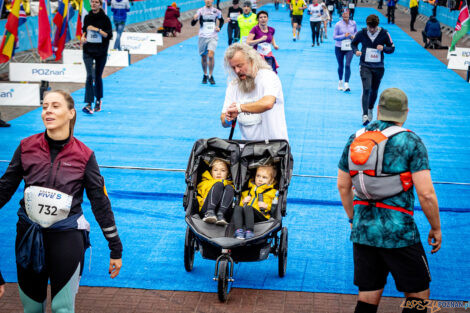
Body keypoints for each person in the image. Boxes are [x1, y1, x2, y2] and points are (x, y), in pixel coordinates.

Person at [0, 90, 123, 312]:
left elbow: (100, 202)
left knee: (62, 308)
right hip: (28, 236)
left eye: (55, 106)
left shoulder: (85, 155)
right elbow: (4, 189)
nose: (48, 110)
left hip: (66, 238)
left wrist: (115, 247)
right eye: (45, 106)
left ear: (71, 113)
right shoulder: (26, 146)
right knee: (32, 309)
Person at [337, 88, 441, 313]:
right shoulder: (410, 141)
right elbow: (426, 194)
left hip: (363, 230)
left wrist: (353, 219)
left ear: (378, 110)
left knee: (368, 295)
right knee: (418, 295)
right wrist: (435, 227)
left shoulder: (356, 138)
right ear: (406, 112)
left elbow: (343, 186)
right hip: (399, 232)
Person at [221, 43, 289, 141]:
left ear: (252, 61)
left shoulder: (268, 77)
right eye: (233, 67)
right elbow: (223, 119)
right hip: (247, 150)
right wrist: (228, 118)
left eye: (240, 65)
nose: (237, 71)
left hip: (274, 149)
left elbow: (267, 103)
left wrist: (239, 108)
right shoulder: (233, 86)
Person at [351, 14, 395, 125]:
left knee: (374, 90)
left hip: (378, 67)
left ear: (377, 25)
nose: (371, 29)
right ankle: (365, 115)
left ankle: (370, 108)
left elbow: (392, 48)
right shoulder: (362, 33)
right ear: (367, 25)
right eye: (370, 27)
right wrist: (355, 51)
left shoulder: (384, 33)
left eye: (373, 27)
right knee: (366, 89)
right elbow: (353, 43)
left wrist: (384, 48)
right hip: (365, 65)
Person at [80, 0, 113, 114]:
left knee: (97, 76)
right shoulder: (87, 17)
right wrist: (83, 38)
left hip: (101, 51)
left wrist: (97, 30)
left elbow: (109, 35)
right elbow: (84, 30)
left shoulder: (105, 19)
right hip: (88, 50)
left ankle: (98, 100)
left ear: (100, 4)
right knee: (89, 76)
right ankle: (89, 104)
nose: (93, 4)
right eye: (92, 2)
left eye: (96, 2)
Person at [233, 165, 278, 239]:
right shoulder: (248, 192)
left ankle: (249, 232)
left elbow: (275, 206)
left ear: (271, 180)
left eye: (264, 177)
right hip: (246, 215)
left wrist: (267, 206)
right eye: (258, 176)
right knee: (237, 207)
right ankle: (238, 231)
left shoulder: (273, 192)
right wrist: (243, 201)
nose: (260, 179)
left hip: (261, 216)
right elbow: (241, 206)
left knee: (248, 208)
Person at [191, 0, 224, 85]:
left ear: (212, 1)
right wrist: (194, 19)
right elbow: (192, 24)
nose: (208, 1)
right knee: (203, 57)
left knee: (211, 55)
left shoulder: (216, 11)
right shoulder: (200, 11)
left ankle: (211, 75)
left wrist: (219, 27)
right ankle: (205, 74)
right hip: (202, 36)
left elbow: (222, 20)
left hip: (213, 36)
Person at [197, 159, 235, 225]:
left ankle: (220, 215)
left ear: (228, 173)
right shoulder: (205, 183)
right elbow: (197, 196)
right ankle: (210, 213)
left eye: (223, 170)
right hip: (207, 208)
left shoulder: (231, 186)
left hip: (224, 211)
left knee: (229, 188)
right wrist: (201, 200)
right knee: (218, 184)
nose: (218, 173)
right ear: (211, 172)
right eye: (215, 170)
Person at [333, 9, 357, 91]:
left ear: (349, 14)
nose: (346, 15)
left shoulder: (353, 23)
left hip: (349, 47)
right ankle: (340, 81)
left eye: (347, 14)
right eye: (344, 14)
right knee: (341, 65)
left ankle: (346, 84)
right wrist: (343, 36)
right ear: (342, 15)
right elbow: (334, 37)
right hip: (339, 47)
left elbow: (356, 32)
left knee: (347, 64)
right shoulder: (338, 24)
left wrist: (354, 36)